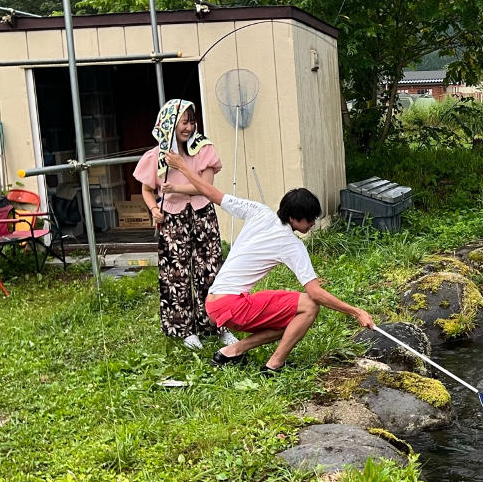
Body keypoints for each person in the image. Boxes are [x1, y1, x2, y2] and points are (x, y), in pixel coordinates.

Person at [164, 151, 375, 375]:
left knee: (294, 319)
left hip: (213, 303)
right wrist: (355, 312)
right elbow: (315, 293)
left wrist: (182, 167)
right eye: (309, 219)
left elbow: (212, 193)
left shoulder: (259, 211)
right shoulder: (292, 244)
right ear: (293, 218)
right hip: (232, 307)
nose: (313, 223)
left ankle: (231, 351)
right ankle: (274, 365)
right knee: (309, 306)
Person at [133, 100, 224, 350]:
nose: (189, 126)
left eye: (192, 121)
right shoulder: (156, 156)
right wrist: (154, 210)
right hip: (172, 218)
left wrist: (175, 187)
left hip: (202, 214)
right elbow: (146, 189)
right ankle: (184, 330)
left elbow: (205, 187)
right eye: (184, 121)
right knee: (176, 274)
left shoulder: (204, 149)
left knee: (211, 270)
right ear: (169, 124)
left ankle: (217, 326)